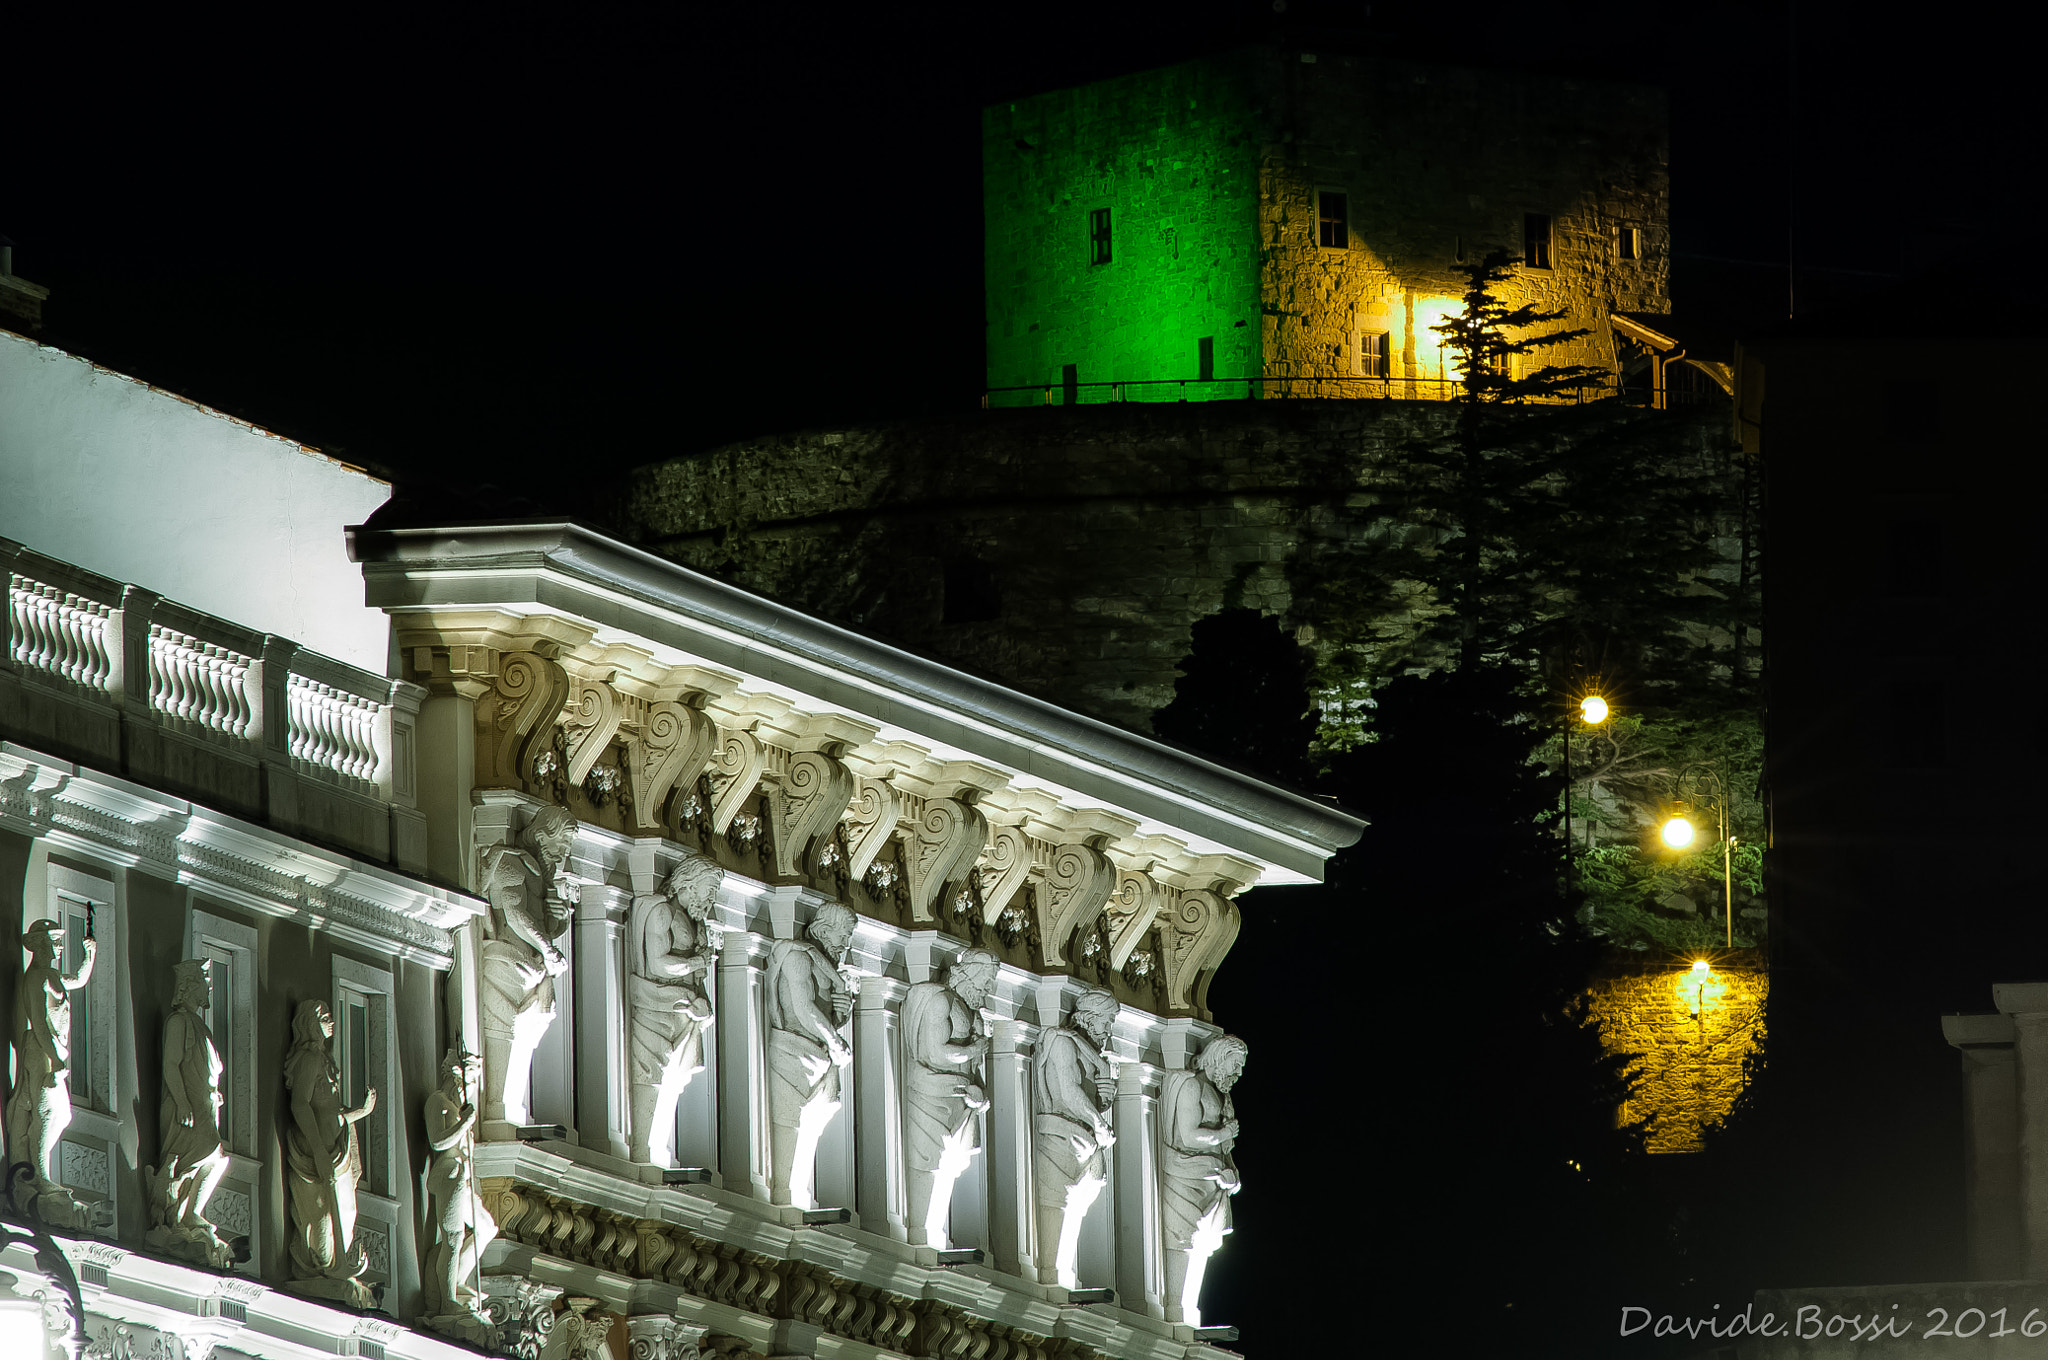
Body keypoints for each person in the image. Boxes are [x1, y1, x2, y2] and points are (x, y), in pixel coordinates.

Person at [478, 804, 578, 1126]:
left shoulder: (539, 876)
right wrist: (549, 949)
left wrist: (557, 921)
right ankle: (498, 1110)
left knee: (529, 1030)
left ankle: (507, 1111)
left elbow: (538, 921)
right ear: (540, 835)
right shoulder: (511, 862)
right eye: (561, 844)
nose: (563, 854)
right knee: (505, 1032)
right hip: (509, 964)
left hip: (530, 966)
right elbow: (514, 913)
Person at [901, 949, 997, 1247]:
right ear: (967, 975)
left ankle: (932, 1234)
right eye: (984, 982)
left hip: (962, 1100)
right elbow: (934, 1052)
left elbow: (973, 1071)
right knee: (933, 1159)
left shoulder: (974, 1017)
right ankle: (921, 1232)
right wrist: (972, 1050)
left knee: (952, 1165)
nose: (987, 990)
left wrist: (981, 1097)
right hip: (933, 1093)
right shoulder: (940, 1001)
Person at [628, 854, 720, 1165]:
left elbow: (697, 975)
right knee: (653, 1072)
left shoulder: (696, 923)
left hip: (687, 1009)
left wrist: (703, 1000)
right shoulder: (662, 913)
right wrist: (695, 962)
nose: (710, 900)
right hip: (658, 1004)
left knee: (676, 1077)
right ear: (689, 883)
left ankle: (656, 1150)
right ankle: (643, 1149)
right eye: (708, 890)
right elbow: (658, 962)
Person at [282, 999, 376, 1305]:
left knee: (347, 1210)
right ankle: (322, 1268)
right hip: (316, 1151)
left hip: (338, 1147)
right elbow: (300, 1104)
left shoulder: (325, 1060)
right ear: (310, 1023)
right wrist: (319, 1150)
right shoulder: (308, 1060)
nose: (331, 1021)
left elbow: (332, 1110)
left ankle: (338, 1266)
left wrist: (359, 1112)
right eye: (324, 1017)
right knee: (322, 1216)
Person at [764, 904, 856, 1208]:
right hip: (795, 1051)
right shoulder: (798, 957)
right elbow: (803, 1008)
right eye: (843, 934)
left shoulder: (827, 968)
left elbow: (825, 1015)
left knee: (816, 1119)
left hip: (819, 1054)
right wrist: (835, 1039)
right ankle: (786, 1192)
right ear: (823, 928)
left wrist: (841, 1012)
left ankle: (795, 1194)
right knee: (796, 1119)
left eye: (849, 936)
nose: (845, 943)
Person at [6, 918, 95, 1224]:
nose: (59, 947)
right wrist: (55, 1058)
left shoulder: (52, 975)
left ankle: (37, 1170)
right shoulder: (36, 979)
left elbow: (80, 980)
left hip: (53, 1051)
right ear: (40, 945)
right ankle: (38, 1173)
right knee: (48, 1112)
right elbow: (40, 1023)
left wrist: (89, 956)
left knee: (61, 1114)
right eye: (55, 942)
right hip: (40, 1050)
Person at [147, 958, 232, 1264]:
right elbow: (171, 1065)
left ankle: (190, 1213)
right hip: (187, 1109)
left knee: (215, 1158)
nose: (208, 987)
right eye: (203, 982)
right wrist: (182, 1101)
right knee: (201, 1158)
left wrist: (214, 1094)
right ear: (188, 987)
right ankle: (180, 1216)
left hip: (204, 1107)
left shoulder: (199, 1024)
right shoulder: (178, 1021)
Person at [1031, 987, 1118, 1286]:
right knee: (1061, 1200)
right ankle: (1051, 1273)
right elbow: (1068, 1091)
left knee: (1077, 1202)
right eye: (1106, 1021)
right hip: (1062, 1136)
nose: (1108, 1030)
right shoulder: (1062, 1043)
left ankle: (1059, 1274)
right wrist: (1100, 1122)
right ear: (1089, 1017)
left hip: (1083, 1139)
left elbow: (1085, 1095)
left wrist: (1104, 1099)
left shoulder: (1091, 1053)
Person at [1159, 1034, 1247, 1325]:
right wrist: (1224, 1134)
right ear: (1218, 1058)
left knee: (1203, 1245)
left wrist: (1232, 1172)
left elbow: (1225, 1148)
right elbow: (1189, 1135)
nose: (1238, 1074)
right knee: (1186, 1238)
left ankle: (1185, 1313)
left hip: (1213, 1181)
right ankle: (1175, 1309)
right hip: (1187, 1177)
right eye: (1235, 1066)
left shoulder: (1223, 1095)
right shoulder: (1190, 1086)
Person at [423, 1049, 494, 1324]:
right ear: (454, 1076)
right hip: (448, 1172)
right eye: (469, 1079)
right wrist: (464, 1123)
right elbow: (438, 1142)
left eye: (474, 1081)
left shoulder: (458, 1107)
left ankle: (457, 1281)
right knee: (453, 1237)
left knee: (487, 1228)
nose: (470, 1087)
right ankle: (447, 1299)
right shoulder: (438, 1102)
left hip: (461, 1177)